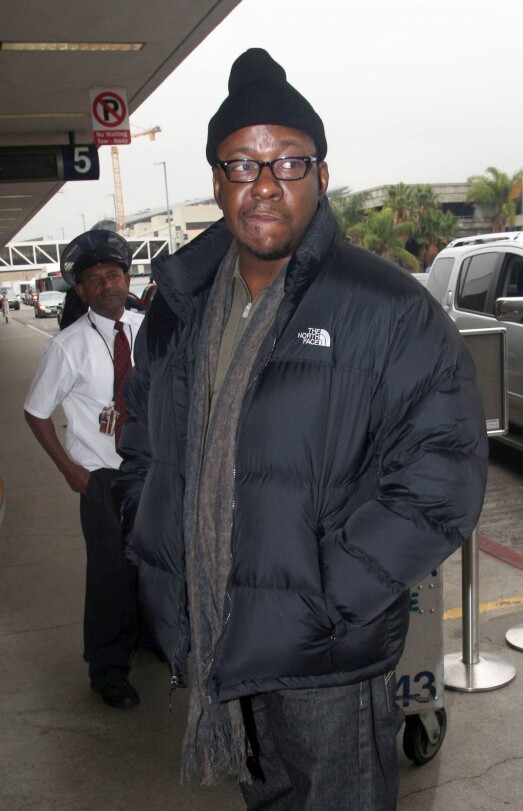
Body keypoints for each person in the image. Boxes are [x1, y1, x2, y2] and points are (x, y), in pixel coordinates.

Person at [115, 49, 488, 809]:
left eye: (288, 161)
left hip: (326, 656)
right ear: (216, 180)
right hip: (221, 637)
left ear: (320, 172)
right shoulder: (177, 309)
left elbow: (444, 472)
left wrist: (328, 594)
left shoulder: (384, 306)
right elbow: (143, 449)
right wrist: (155, 546)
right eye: (242, 164)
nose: (265, 185)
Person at [24, 230, 145, 710]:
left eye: (113, 275)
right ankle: (107, 669)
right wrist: (70, 471)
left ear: (126, 277)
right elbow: (35, 413)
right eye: (94, 280)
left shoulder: (147, 328)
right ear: (82, 292)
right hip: (101, 476)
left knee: (150, 565)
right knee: (109, 574)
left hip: (149, 471)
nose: (107, 285)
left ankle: (146, 643)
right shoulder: (68, 347)